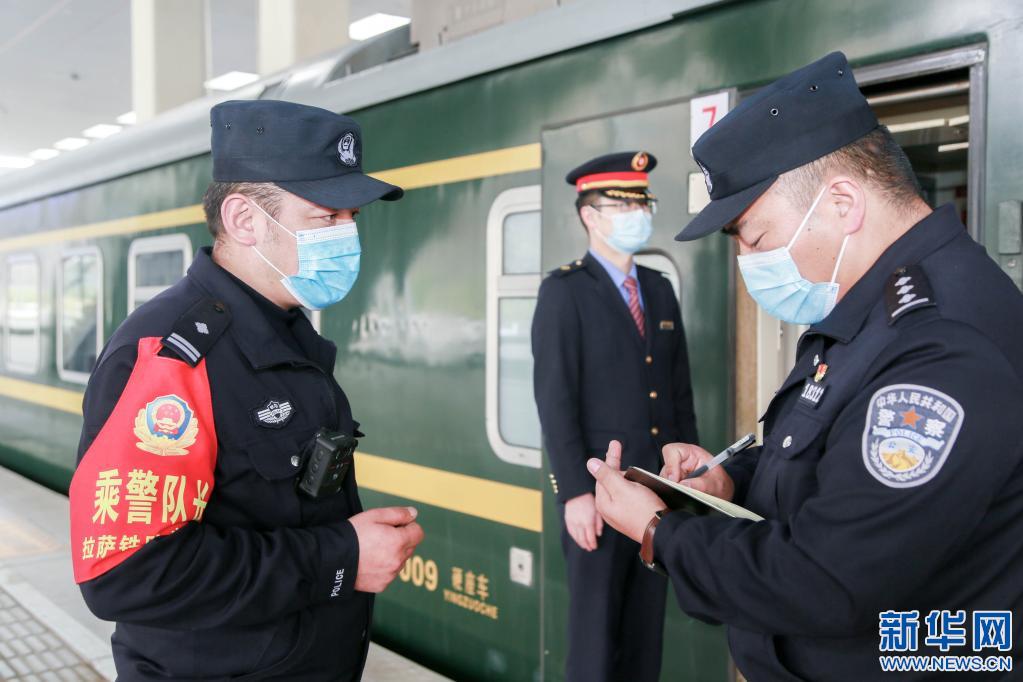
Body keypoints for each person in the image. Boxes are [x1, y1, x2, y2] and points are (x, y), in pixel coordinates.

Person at [587, 52, 1023, 680]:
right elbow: (835, 460)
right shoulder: (872, 309)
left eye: (757, 239)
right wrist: (729, 480)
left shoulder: (941, 347)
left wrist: (659, 530)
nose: (749, 264)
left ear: (843, 202)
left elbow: (826, 580)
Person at [69, 100, 424, 680]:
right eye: (326, 217)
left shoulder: (284, 330)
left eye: (352, 217)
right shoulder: (172, 356)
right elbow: (126, 572)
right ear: (244, 219)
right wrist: (341, 558)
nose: (347, 235)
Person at [531, 151, 699, 681]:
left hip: (657, 494)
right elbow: (555, 399)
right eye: (623, 205)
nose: (637, 215)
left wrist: (689, 477)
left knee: (646, 633)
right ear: (590, 215)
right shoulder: (564, 292)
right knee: (596, 638)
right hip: (599, 497)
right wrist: (574, 494)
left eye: (642, 204)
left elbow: (678, 392)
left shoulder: (659, 289)